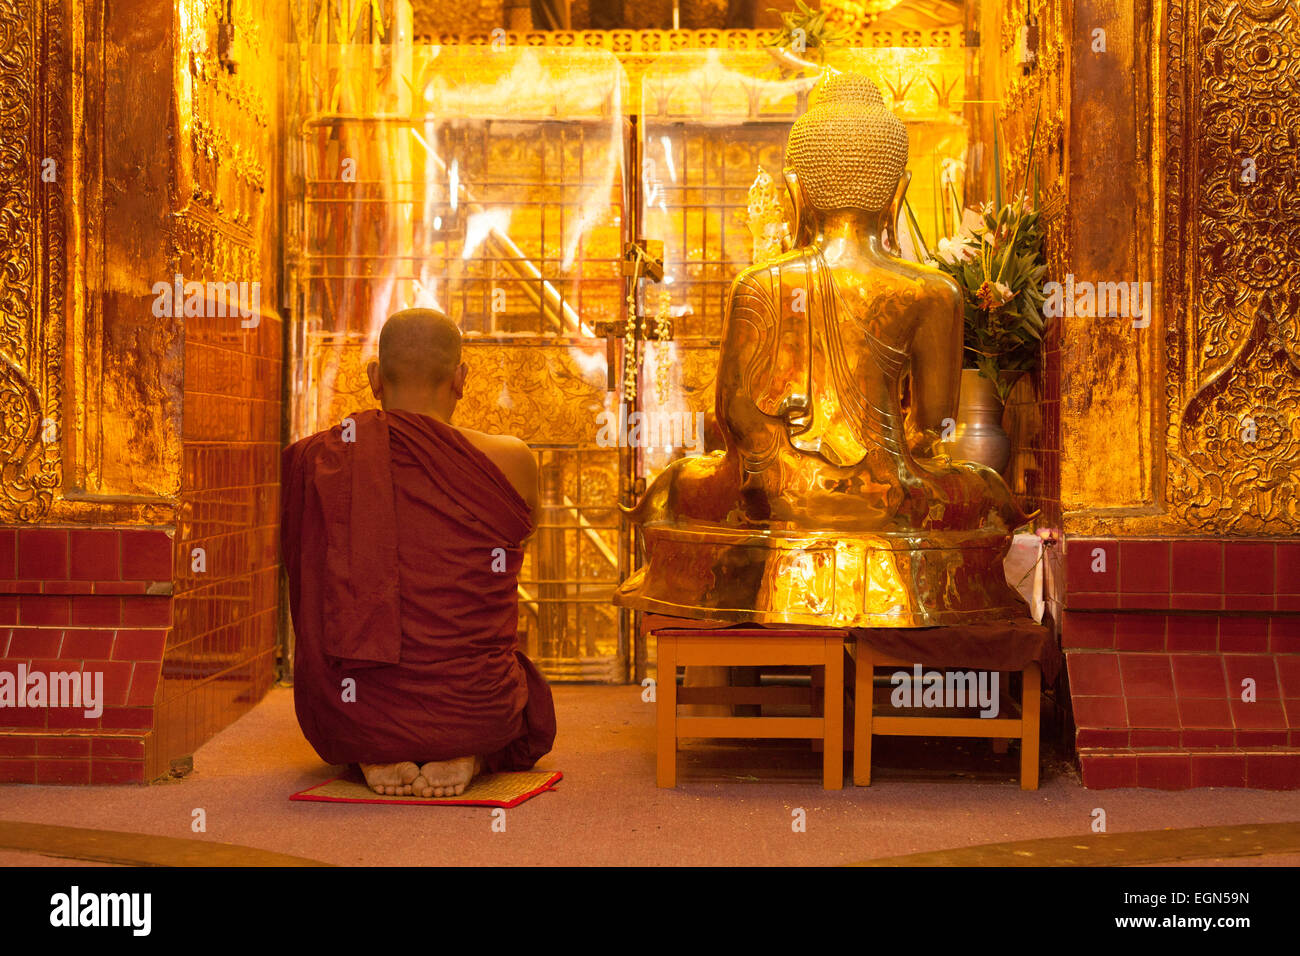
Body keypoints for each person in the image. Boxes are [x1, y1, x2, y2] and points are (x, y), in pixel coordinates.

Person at [281, 308, 556, 797]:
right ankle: (463, 745)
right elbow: (512, 549)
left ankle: (375, 745)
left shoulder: (322, 459)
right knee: (504, 679)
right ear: (461, 379)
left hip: (357, 707)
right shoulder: (511, 458)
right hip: (476, 705)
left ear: (373, 379)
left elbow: (309, 586)